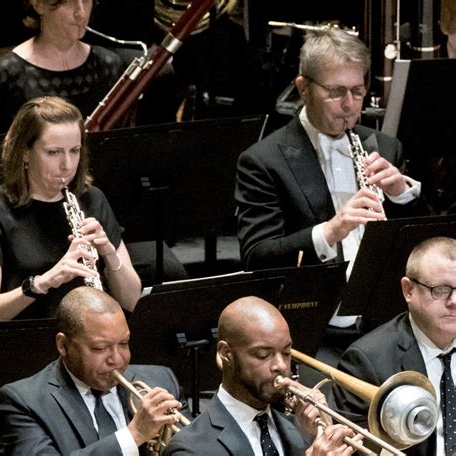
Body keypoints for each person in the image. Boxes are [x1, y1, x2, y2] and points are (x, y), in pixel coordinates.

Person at [235, 26, 428, 274]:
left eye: (357, 92)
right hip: (313, 303)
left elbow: (427, 245)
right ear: (303, 89)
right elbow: (256, 257)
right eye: (336, 92)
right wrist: (331, 231)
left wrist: (402, 194)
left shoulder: (386, 147)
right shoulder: (263, 161)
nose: (349, 105)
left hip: (383, 302)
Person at [0, 96, 141, 323]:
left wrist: (108, 251)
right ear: (25, 152)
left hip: (89, 342)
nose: (67, 164)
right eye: (53, 152)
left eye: (74, 151)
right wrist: (42, 283)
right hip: (26, 344)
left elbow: (132, 300)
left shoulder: (92, 199)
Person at [0, 286, 190, 455]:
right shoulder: (23, 402)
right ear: (63, 345)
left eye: (123, 343)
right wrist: (135, 434)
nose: (117, 359)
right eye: (100, 348)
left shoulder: (161, 379)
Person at [164, 296, 362, 456]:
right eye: (263, 355)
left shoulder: (299, 431)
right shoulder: (191, 448)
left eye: (286, 352)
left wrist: (320, 432)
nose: (281, 365)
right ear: (226, 354)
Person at [331, 236, 456, 456]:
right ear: (409, 290)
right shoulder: (366, 362)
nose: (454, 301)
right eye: (441, 290)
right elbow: (359, 451)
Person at [0, 0, 124, 136]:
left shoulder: (109, 64)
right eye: (68, 1)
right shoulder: (6, 73)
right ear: (38, 4)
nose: (81, 13)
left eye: (86, 0)